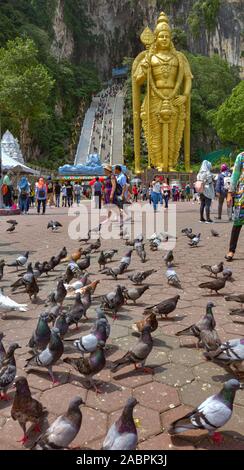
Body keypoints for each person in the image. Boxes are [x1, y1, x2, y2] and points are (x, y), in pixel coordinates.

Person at [225, 152, 244, 261]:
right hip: (241, 197)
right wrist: (229, 193)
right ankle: (231, 250)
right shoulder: (241, 157)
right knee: (237, 223)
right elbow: (235, 175)